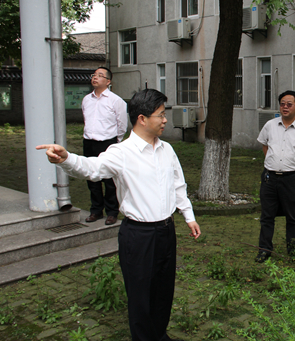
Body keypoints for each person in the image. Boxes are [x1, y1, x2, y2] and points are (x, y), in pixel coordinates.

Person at [37, 89, 200, 341]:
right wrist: (66, 158)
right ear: (142, 119)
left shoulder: (167, 149)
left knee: (163, 291)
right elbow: (92, 168)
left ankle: (160, 334)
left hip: (166, 231)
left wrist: (188, 216)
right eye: (161, 114)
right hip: (138, 235)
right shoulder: (121, 152)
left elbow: (178, 185)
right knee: (140, 296)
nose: (165, 119)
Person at [255, 90, 295, 262]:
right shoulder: (270, 125)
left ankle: (293, 250)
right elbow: (265, 147)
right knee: (267, 216)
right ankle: (264, 249)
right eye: (282, 103)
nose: (285, 107)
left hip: (291, 179)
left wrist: (293, 168)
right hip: (269, 178)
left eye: (289, 104)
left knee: (292, 217)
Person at [82, 66, 127, 225]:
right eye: (94, 75)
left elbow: (122, 124)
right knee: (91, 177)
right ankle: (96, 210)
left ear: (108, 81)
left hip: (108, 142)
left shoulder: (116, 101)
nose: (95, 77)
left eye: (100, 75)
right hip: (89, 142)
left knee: (109, 179)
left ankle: (112, 212)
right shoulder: (87, 99)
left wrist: (117, 142)